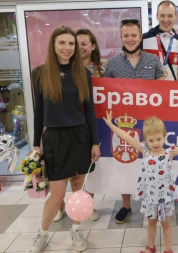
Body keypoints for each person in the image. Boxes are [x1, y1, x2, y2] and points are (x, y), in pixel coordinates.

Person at [103, 110, 178, 253]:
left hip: (165, 199)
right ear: (145, 140)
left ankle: (168, 249)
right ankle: (150, 247)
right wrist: (111, 125)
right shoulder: (144, 151)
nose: (155, 143)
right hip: (150, 199)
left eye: (158, 139)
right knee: (151, 223)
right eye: (151, 140)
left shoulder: (169, 153)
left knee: (166, 225)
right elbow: (126, 137)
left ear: (164, 137)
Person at [27, 26, 101, 253]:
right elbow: (39, 111)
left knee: (78, 189)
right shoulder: (40, 73)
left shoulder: (83, 73)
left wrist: (95, 142)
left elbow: (89, 109)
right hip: (54, 139)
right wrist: (35, 144)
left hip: (80, 136)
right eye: (62, 43)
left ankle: (77, 232)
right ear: (53, 45)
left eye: (71, 44)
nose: (67, 48)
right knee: (57, 195)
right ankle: (42, 234)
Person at [104, 19, 164, 224]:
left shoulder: (154, 60)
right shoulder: (112, 64)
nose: (130, 39)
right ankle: (126, 205)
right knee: (125, 163)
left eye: (134, 35)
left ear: (140, 36)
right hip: (124, 125)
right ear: (121, 37)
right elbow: (104, 93)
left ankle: (152, 200)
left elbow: (163, 90)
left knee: (150, 164)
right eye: (126, 35)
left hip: (149, 125)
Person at [52, 28, 104, 223]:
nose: (79, 47)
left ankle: (85, 205)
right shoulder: (54, 71)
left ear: (92, 46)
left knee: (81, 175)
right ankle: (59, 206)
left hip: (86, 126)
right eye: (77, 42)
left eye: (84, 43)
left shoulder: (100, 70)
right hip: (59, 129)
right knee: (59, 175)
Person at [141, 0, 178, 81]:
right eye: (162, 15)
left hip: (172, 92)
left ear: (175, 16)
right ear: (157, 16)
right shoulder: (143, 39)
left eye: (170, 16)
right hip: (150, 92)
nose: (166, 19)